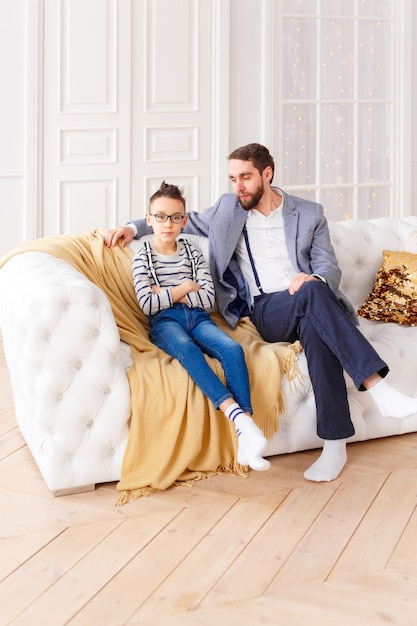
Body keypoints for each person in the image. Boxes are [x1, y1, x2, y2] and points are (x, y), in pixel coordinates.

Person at [105, 143, 417, 483]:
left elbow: (327, 266)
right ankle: (378, 386)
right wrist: (133, 228)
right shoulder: (228, 209)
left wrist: (314, 277)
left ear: (267, 174)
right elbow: (179, 220)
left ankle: (334, 444)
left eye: (245, 177)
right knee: (312, 297)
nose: (237, 186)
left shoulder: (309, 213)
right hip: (267, 310)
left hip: (310, 301)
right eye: (233, 178)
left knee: (315, 319)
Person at [131, 180, 270, 472]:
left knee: (232, 349)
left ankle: (247, 441)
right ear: (149, 219)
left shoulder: (193, 253)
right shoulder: (142, 255)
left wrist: (165, 292)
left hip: (199, 318)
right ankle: (240, 419)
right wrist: (184, 287)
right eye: (160, 216)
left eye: (175, 217)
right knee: (186, 349)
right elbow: (147, 305)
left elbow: (207, 298)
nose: (167, 224)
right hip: (165, 323)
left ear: (183, 220)